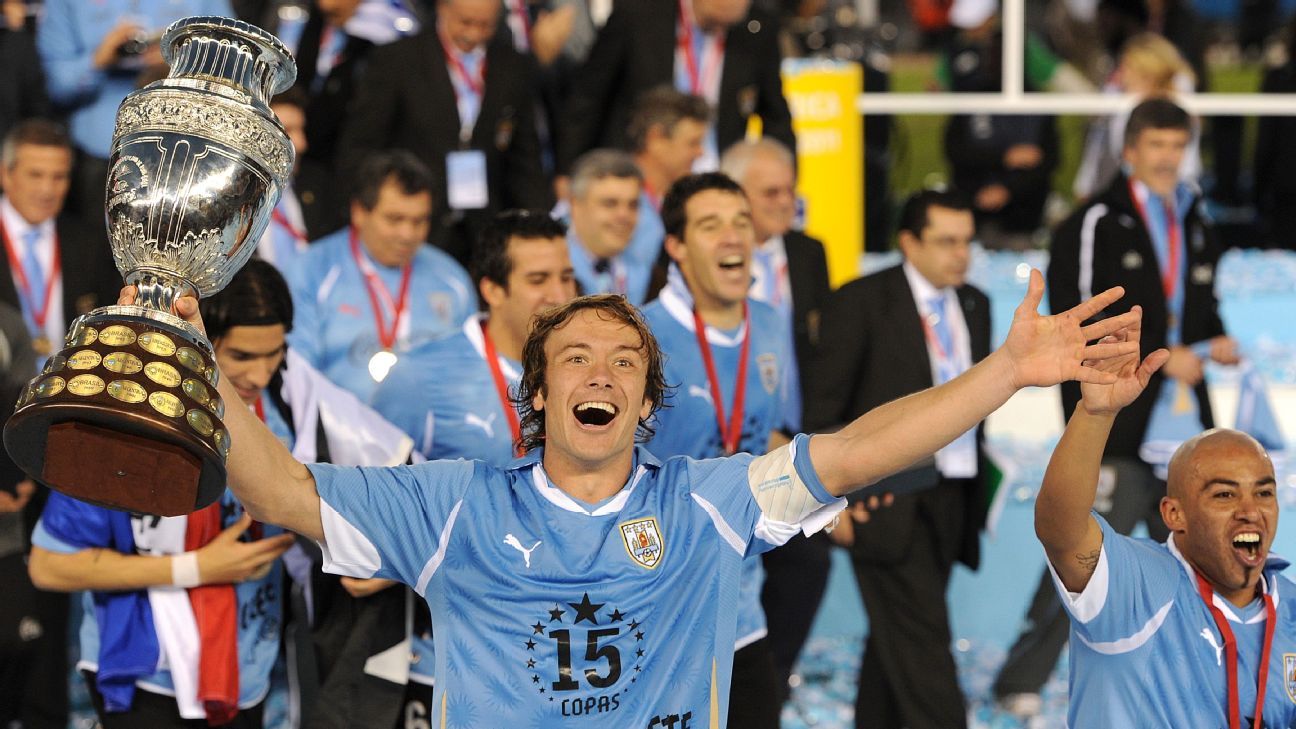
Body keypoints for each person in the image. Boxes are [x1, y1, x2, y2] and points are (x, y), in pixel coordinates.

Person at [117, 233, 1144, 725]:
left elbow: (860, 448)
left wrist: (1007, 372)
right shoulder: (454, 505)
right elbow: (283, 491)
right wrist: (190, 356)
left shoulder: (706, 502)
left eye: (624, 363)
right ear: (539, 393)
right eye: (575, 358)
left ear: (648, 403)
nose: (601, 374)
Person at [994, 96, 1240, 714]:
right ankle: (1020, 680)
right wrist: (1162, 356)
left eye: (1177, 146)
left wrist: (1215, 341)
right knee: (1082, 550)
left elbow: (1199, 305)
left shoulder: (1195, 218)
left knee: (1201, 553)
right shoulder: (1094, 221)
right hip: (1118, 422)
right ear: (1129, 150)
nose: (1167, 157)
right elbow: (1082, 319)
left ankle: (1218, 675)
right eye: (1156, 144)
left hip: (1182, 421)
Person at [1032, 319, 1296, 727]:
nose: (1250, 510)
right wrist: (1095, 414)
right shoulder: (1136, 586)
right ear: (1174, 514)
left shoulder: (1290, 607)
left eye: (1263, 493)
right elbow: (1061, 530)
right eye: (1224, 495)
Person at [370, 208, 578, 725]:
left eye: (566, 276)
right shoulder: (421, 377)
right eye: (538, 279)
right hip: (455, 661)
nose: (560, 294)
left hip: (561, 653)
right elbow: (373, 508)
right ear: (492, 289)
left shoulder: (586, 374)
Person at [805, 190, 990, 729]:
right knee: (924, 649)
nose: (961, 254)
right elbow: (823, 408)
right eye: (947, 241)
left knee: (897, 645)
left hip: (955, 494)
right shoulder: (860, 301)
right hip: (883, 499)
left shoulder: (975, 303)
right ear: (909, 242)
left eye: (967, 241)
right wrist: (831, 501)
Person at [640, 172, 791, 728]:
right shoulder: (639, 336)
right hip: (655, 606)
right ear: (676, 246)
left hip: (740, 603)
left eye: (741, 222)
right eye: (710, 225)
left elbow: (768, 435)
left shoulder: (770, 323)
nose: (732, 236)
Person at [0, 118, 120, 728]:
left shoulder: (87, 241)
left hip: (64, 436)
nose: (48, 188)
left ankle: (47, 713)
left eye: (60, 176)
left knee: (51, 594)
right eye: (35, 175)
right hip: (1, 441)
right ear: (5, 174)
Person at [719, 137, 832, 700]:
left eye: (790, 190)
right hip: (728, 440)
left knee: (806, 564)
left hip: (795, 436)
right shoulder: (712, 259)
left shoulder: (809, 253)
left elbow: (819, 352)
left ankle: (769, 684)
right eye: (770, 193)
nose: (786, 202)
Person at [338, 0, 550, 264]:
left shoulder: (513, 66)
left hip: (483, 228)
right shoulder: (397, 59)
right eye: (465, 22)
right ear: (442, 8)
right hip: (413, 222)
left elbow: (525, 159)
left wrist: (538, 225)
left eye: (486, 25)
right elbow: (361, 145)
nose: (473, 33)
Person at [285, 151, 476, 402]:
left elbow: (471, 372)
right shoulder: (311, 271)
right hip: (337, 422)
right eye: (395, 219)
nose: (408, 234)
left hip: (434, 422)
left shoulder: (452, 279)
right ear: (359, 212)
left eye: (419, 221)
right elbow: (296, 373)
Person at [35, 0, 232, 228]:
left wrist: (185, 59)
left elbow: (232, 58)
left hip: (188, 150)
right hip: (101, 158)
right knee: (93, 247)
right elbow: (56, 88)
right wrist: (99, 59)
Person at [557, 0, 794, 176]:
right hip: (637, 173)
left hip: (715, 174)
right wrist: (567, 171)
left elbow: (776, 115)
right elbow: (587, 97)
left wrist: (784, 176)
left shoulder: (757, 28)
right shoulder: (638, 15)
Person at [565, 149, 657, 304]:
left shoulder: (651, 278)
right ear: (576, 206)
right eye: (610, 204)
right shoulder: (551, 272)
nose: (624, 215)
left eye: (633, 205)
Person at [256, 87, 311, 272]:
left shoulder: (317, 188)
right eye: (288, 131)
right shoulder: (228, 202)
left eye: (301, 130)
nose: (301, 144)